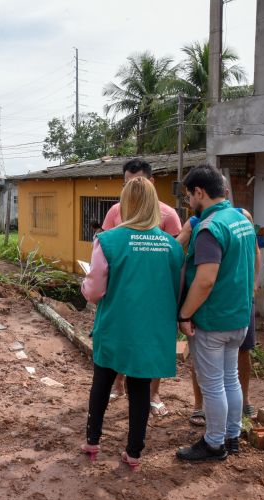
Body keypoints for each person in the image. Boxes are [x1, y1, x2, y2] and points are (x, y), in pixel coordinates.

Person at [80, 177, 184, 471]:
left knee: (102, 382)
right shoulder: (171, 246)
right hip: (152, 328)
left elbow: (95, 291)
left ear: (125, 204)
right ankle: (134, 452)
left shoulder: (108, 240)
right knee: (140, 388)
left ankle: (92, 441)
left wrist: (85, 287)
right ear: (154, 205)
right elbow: (176, 290)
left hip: (115, 324)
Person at [176, 164, 256, 462]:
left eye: (189, 195)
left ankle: (213, 443)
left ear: (199, 192)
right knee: (230, 379)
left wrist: (184, 314)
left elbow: (206, 280)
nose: (188, 202)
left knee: (212, 385)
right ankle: (232, 436)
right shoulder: (240, 219)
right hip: (238, 317)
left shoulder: (210, 228)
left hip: (214, 319)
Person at [101, 158, 183, 416]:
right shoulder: (115, 212)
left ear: (151, 182)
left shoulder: (168, 215)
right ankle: (118, 384)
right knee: (121, 339)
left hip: (155, 296)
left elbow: (175, 255)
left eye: (138, 182)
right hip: (124, 294)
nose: (132, 189)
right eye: (127, 184)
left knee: (153, 345)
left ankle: (154, 393)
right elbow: (104, 251)